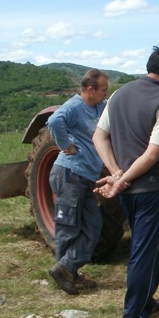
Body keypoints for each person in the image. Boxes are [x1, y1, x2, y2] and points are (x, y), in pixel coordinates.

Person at [93, 45, 159, 318]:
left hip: (130, 191)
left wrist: (117, 172)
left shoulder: (119, 95)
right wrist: (121, 179)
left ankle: (144, 302)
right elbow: (152, 155)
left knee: (147, 250)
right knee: (149, 255)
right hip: (153, 189)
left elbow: (100, 136)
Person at [46, 69, 109, 295]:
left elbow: (113, 112)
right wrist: (67, 146)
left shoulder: (100, 106)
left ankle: (67, 268)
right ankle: (66, 275)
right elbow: (54, 121)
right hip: (69, 173)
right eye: (103, 90)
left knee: (93, 227)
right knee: (69, 227)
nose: (105, 93)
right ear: (90, 89)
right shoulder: (74, 106)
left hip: (86, 177)